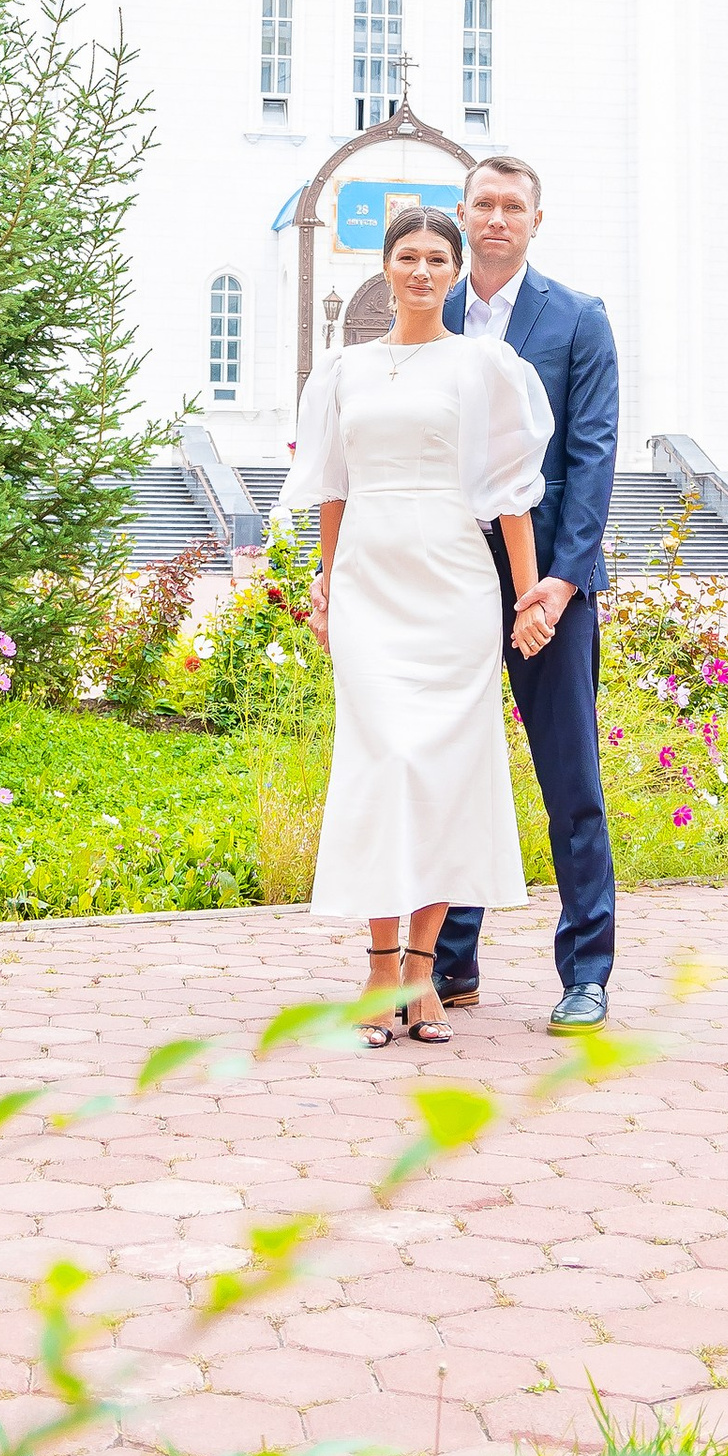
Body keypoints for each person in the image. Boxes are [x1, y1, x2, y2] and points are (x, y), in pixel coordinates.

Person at [315, 149, 621, 1034]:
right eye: (480, 204)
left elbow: (589, 459)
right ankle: (443, 970)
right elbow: (349, 461)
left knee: (569, 778)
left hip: (539, 583)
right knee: (433, 761)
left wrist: (556, 584)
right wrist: (330, 574)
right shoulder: (423, 307)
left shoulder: (577, 321)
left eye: (510, 208)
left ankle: (586, 970)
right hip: (421, 575)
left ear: (533, 221)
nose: (493, 220)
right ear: (460, 213)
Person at [281, 205, 556, 1044]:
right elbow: (331, 484)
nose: (424, 271)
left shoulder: (484, 367)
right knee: (380, 760)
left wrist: (528, 594)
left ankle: (423, 971)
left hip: (454, 585)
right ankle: (374, 971)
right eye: (410, 255)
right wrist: (326, 581)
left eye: (440, 257)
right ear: (387, 264)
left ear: (455, 268)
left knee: (442, 767)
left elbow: (510, 493)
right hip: (370, 581)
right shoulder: (342, 371)